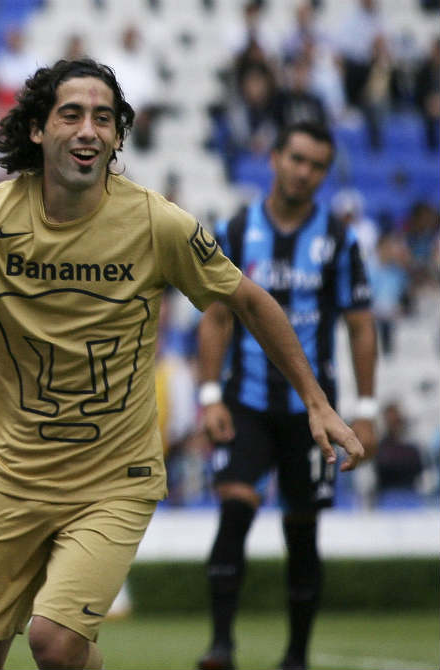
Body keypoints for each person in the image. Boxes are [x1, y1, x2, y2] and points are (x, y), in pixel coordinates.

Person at [0, 59, 366, 670]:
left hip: (113, 481)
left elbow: (252, 301)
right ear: (40, 130)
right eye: (71, 114)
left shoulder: (157, 222)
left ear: (118, 136)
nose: (89, 129)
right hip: (15, 477)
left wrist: (317, 400)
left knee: (52, 641)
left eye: (104, 118)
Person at [195, 121, 378, 670]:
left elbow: (361, 326)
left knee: (302, 530)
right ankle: (221, 647)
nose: (304, 172)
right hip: (246, 402)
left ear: (325, 173)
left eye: (317, 164)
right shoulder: (235, 228)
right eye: (296, 158)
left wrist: (365, 410)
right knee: (234, 510)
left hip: (310, 413)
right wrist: (209, 395)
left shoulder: (339, 239)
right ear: (274, 158)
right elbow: (216, 316)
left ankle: (295, 656)